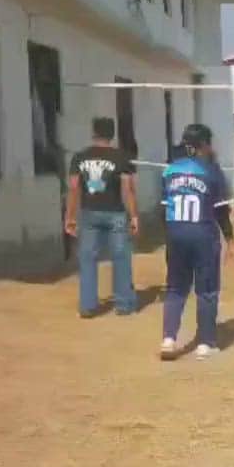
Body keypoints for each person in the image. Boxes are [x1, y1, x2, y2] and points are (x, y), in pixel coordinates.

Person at [159, 123, 234, 361]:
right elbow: (221, 212)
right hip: (203, 234)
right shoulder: (211, 171)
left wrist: (171, 235)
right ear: (204, 144)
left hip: (175, 233)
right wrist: (230, 239)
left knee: (175, 288)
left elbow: (164, 208)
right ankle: (205, 343)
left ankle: (169, 339)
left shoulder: (170, 170)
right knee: (207, 290)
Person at [65, 117, 139, 318]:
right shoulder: (121, 157)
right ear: (112, 134)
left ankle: (87, 306)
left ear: (94, 133)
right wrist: (134, 216)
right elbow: (128, 189)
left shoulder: (79, 157)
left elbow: (74, 188)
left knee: (87, 259)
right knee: (121, 257)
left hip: (89, 213)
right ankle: (123, 304)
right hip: (116, 213)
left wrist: (69, 216)